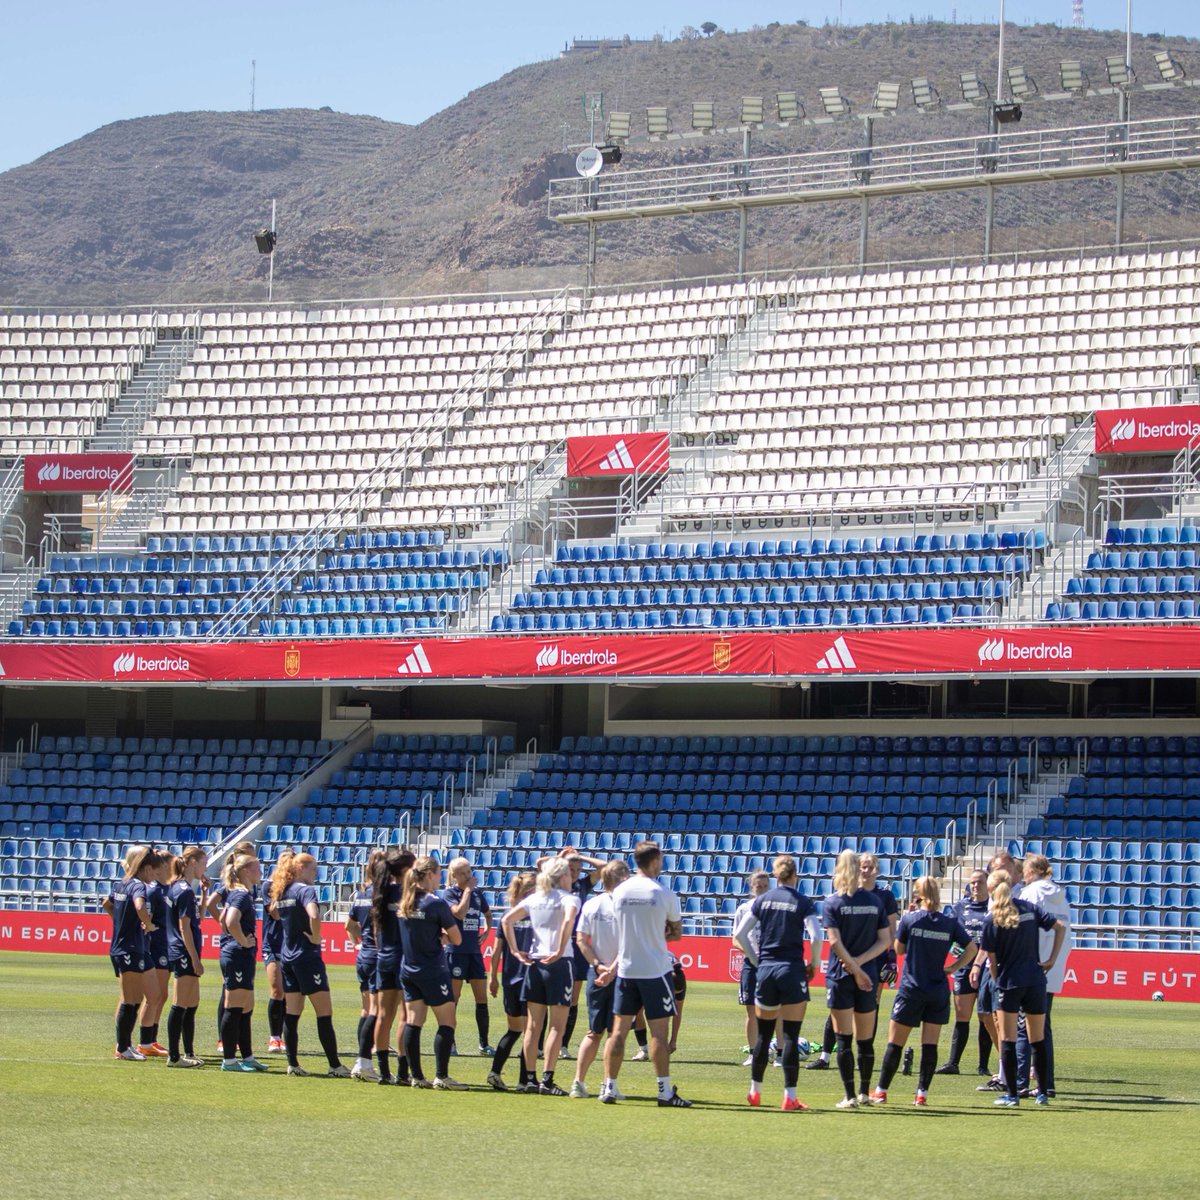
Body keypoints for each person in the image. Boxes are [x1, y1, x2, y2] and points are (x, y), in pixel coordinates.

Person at [868, 876, 977, 1106]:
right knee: (930, 1045)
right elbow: (972, 948)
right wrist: (953, 968)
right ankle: (921, 1094)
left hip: (911, 988)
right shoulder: (949, 923)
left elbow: (898, 949)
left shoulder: (911, 919)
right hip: (937, 989)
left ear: (918, 894)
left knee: (895, 1043)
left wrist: (908, 920)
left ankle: (881, 1090)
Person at [600, 840, 691, 1108]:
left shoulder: (620, 891)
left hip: (627, 970)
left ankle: (609, 1086)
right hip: (655, 970)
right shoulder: (663, 893)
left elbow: (618, 925)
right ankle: (664, 1091)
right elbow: (676, 933)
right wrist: (660, 931)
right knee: (659, 1034)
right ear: (654, 861)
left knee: (617, 1032)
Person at [732, 854, 823, 1111]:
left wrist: (757, 961)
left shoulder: (762, 900)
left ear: (775, 876)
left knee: (763, 1034)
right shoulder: (803, 901)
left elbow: (740, 934)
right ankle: (789, 1097)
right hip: (791, 969)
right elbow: (816, 936)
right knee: (790, 1035)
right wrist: (813, 965)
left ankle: (755, 1091)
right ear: (795, 875)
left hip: (767, 971)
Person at [979, 870, 1067, 1108]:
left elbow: (993, 961)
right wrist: (1051, 959)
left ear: (991, 890)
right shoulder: (1029, 908)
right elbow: (1060, 927)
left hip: (1009, 983)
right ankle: (1042, 1094)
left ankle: (1012, 1095)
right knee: (1037, 1039)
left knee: (1007, 1039)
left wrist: (997, 982)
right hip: (1036, 981)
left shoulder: (991, 919)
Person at [809, 851, 898, 1072]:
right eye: (863, 866)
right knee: (838, 1010)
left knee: (870, 1008)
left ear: (876, 869)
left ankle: (862, 1055)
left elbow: (890, 932)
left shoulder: (884, 898)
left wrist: (891, 959)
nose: (866, 870)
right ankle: (826, 1055)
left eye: (870, 866)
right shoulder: (843, 896)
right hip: (846, 962)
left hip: (873, 961)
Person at [502, 856, 579, 1096]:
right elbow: (568, 919)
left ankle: (530, 1079)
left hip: (534, 964)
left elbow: (506, 920)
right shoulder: (569, 898)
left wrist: (515, 950)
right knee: (556, 1026)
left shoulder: (536, 898)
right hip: (559, 963)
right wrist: (559, 947)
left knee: (533, 1027)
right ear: (563, 876)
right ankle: (548, 1079)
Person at [271, 851, 350, 1078]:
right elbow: (314, 915)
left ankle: (293, 1064)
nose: (317, 873)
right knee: (324, 1013)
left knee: (293, 1012)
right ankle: (334, 1065)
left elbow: (274, 914)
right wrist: (316, 937)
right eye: (314, 869)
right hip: (307, 957)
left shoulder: (283, 890)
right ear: (302, 868)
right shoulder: (306, 891)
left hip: (288, 957)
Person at [397, 855, 464, 1089]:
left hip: (408, 969)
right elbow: (456, 938)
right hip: (433, 969)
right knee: (447, 1022)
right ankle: (442, 1076)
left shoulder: (404, 900)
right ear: (429, 875)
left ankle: (416, 1076)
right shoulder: (435, 903)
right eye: (438, 874)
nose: (440, 879)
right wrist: (442, 936)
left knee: (414, 1021)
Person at [1015, 854, 1073, 1099]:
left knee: (1023, 1028)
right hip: (1053, 966)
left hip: (1030, 967)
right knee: (1043, 1027)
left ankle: (1019, 1083)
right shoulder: (1062, 897)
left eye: (1025, 870)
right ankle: (1046, 1083)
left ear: (1032, 871)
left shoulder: (1030, 894)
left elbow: (1022, 929)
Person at [570, 858, 629, 1098]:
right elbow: (629, 942)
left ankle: (578, 1082)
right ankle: (608, 1084)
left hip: (596, 972)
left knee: (593, 1031)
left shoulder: (591, 904)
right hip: (621, 973)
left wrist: (597, 965)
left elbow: (581, 939)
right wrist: (612, 969)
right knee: (615, 1033)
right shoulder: (626, 906)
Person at [102, 845, 160, 1060]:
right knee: (130, 1000)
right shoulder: (138, 886)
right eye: (153, 869)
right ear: (145, 867)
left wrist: (120, 922)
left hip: (123, 947)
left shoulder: (121, 884)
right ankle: (123, 1048)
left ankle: (125, 1045)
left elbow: (107, 904)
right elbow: (139, 906)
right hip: (130, 948)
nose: (154, 874)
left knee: (133, 999)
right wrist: (148, 924)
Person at [936, 869, 990, 1076]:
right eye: (973, 883)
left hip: (985, 968)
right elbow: (949, 935)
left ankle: (983, 1066)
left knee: (984, 1016)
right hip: (964, 967)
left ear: (988, 884)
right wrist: (957, 953)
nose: (975, 886)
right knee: (962, 1016)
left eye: (979, 882)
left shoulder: (993, 907)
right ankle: (953, 1063)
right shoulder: (960, 908)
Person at [369, 848, 416, 1085]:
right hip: (405, 959)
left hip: (384, 958)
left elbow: (377, 932)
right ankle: (403, 1072)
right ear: (406, 869)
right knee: (405, 1017)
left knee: (383, 1015)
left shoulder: (381, 891)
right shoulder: (408, 893)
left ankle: (384, 1072)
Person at [218, 852, 267, 1072]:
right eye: (257, 868)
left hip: (240, 955)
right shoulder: (241, 895)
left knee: (245, 1007)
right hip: (237, 955)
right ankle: (229, 1060)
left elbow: (222, 919)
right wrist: (241, 941)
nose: (260, 871)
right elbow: (229, 920)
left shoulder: (242, 893)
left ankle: (247, 1056)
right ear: (246, 871)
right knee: (234, 1007)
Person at [440, 856, 494, 1056]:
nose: (467, 875)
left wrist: (487, 930)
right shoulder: (449, 893)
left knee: (482, 998)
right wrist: (468, 890)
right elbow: (459, 914)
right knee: (454, 998)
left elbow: (487, 914)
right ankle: (450, 1043)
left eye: (469, 871)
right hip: (455, 952)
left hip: (474, 951)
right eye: (462, 873)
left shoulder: (478, 894)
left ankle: (484, 1044)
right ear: (453, 875)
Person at [487, 872, 536, 1091]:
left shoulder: (508, 917)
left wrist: (493, 978)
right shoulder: (537, 916)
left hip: (510, 980)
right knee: (530, 1032)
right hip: (529, 979)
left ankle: (495, 1072)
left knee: (515, 1031)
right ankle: (524, 1081)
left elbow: (496, 950)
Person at [206, 839, 255, 1052]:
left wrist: (222, 923)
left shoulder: (237, 885)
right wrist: (228, 927)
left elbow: (212, 905)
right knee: (232, 996)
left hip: (232, 943)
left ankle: (240, 1049)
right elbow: (211, 905)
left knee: (238, 996)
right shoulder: (234, 886)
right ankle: (227, 1046)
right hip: (235, 945)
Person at [163, 846, 207, 1068]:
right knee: (180, 1003)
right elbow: (185, 927)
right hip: (183, 952)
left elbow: (196, 918)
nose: (206, 867)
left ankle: (188, 1051)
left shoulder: (179, 888)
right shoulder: (184, 890)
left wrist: (205, 894)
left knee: (191, 1003)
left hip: (182, 950)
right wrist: (195, 959)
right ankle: (174, 1056)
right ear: (193, 863)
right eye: (203, 863)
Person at [346, 849, 385, 1081]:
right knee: (376, 1010)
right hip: (377, 957)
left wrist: (358, 945)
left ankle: (364, 1056)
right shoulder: (378, 894)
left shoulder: (361, 893)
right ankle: (365, 1060)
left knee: (366, 1009)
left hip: (364, 956)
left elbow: (349, 926)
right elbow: (379, 929)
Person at [733, 870, 776, 1067]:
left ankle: (780, 1053)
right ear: (752, 887)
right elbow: (736, 939)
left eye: (765, 886)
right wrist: (751, 953)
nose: (761, 889)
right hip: (751, 964)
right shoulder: (744, 908)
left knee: (776, 1008)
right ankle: (753, 1053)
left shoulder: (775, 908)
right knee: (751, 1009)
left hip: (771, 962)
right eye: (758, 886)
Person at [136, 851, 172, 1057]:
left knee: (162, 994)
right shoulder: (153, 891)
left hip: (166, 944)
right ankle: (146, 1040)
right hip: (156, 945)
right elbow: (146, 917)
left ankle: (152, 1039)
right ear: (162, 867)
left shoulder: (167, 889)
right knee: (155, 995)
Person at [261, 849, 292, 1054]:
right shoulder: (268, 886)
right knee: (277, 990)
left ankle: (288, 1035)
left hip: (292, 945)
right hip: (273, 944)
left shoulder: (299, 888)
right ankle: (274, 1038)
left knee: (290, 994)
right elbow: (274, 913)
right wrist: (280, 890)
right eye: (284, 861)